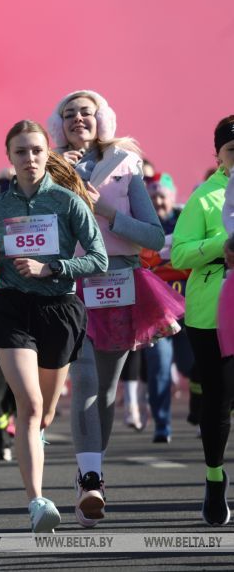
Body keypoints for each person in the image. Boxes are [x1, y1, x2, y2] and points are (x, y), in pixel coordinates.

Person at [0, 120, 108, 532]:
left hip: (58, 309)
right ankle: (38, 503)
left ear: (47, 154)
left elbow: (99, 259)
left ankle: (35, 441)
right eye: (21, 152)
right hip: (11, 308)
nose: (30, 159)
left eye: (37, 151)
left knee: (45, 412)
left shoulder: (67, 202)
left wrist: (52, 266)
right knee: (29, 404)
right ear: (9, 157)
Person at [48, 90, 180, 528]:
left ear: (101, 118)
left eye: (86, 112)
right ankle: (92, 479)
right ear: (59, 124)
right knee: (83, 379)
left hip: (120, 283)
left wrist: (106, 211)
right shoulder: (48, 166)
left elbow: (152, 236)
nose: (77, 119)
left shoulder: (126, 166)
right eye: (69, 114)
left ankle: (91, 471)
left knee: (105, 390)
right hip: (71, 284)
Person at [172, 114, 234, 526]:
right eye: (233, 151)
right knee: (218, 401)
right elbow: (178, 255)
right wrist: (222, 244)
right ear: (219, 155)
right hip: (212, 314)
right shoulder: (205, 198)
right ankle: (214, 478)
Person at [141, 173, 195, 443]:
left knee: (192, 366)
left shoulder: (186, 220)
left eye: (162, 195)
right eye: (153, 196)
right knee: (159, 366)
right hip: (158, 312)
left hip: (190, 308)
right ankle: (162, 424)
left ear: (172, 196)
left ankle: (200, 413)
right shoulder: (144, 224)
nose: (158, 201)